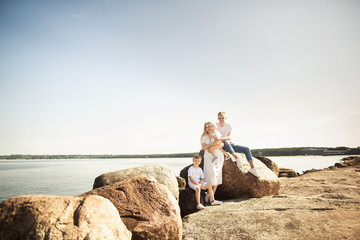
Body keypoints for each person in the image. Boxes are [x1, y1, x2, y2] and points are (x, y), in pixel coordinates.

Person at [216, 111, 260, 177]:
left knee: (246, 149)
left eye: (223, 118)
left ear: (226, 118)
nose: (221, 120)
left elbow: (229, 137)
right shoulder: (215, 125)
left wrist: (220, 138)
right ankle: (236, 158)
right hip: (221, 146)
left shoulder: (228, 125)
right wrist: (221, 140)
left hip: (230, 144)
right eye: (220, 118)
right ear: (217, 118)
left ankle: (252, 168)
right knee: (226, 142)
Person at [200, 121, 225, 202]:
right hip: (209, 157)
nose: (209, 128)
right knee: (211, 176)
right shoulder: (204, 137)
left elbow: (222, 144)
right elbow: (204, 148)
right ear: (205, 129)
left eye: (210, 126)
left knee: (217, 177)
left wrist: (214, 147)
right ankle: (209, 194)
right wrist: (213, 144)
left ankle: (211, 196)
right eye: (206, 127)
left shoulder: (216, 133)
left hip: (218, 155)